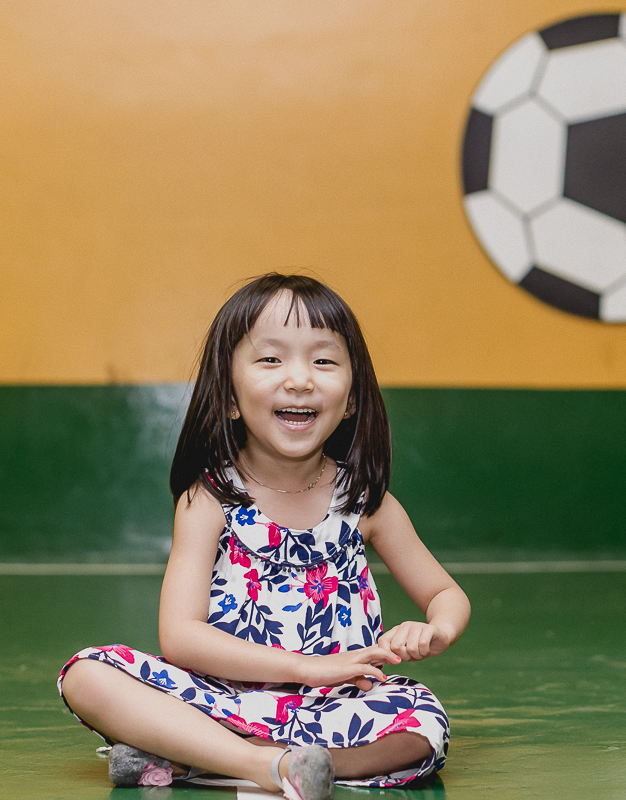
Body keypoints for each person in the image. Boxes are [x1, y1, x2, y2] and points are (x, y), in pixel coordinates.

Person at [59, 273, 471, 799]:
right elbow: (180, 637)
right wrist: (304, 667)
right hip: (223, 695)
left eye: (323, 360)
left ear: (351, 399)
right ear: (230, 398)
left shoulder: (367, 501)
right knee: (88, 675)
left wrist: (436, 627)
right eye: (271, 359)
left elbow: (445, 594)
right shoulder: (208, 499)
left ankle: (197, 757)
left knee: (425, 727)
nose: (299, 379)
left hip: (339, 702)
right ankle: (262, 764)